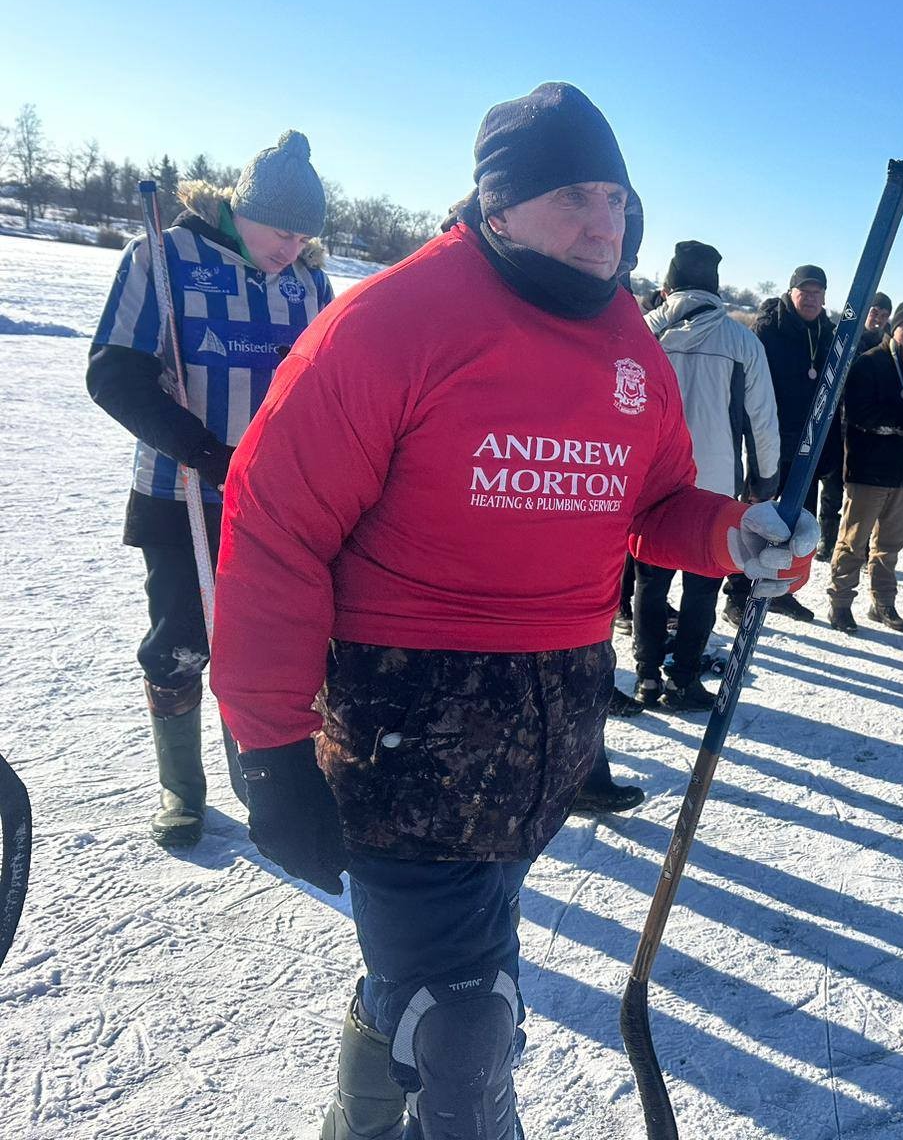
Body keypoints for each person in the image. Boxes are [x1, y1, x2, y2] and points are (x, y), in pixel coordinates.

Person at [209, 84, 817, 1140]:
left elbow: (653, 503)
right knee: (463, 1030)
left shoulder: (626, 338)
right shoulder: (393, 321)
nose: (605, 224)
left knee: (423, 988)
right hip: (407, 747)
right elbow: (275, 530)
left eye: (616, 199)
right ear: (498, 203)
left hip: (543, 754)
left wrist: (737, 535)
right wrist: (267, 749)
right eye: (574, 197)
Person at [85, 130, 333, 849]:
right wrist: (201, 450)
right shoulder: (163, 258)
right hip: (181, 491)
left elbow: (327, 385)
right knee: (181, 643)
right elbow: (113, 374)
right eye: (281, 231)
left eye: (304, 236)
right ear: (241, 207)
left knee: (266, 648)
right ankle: (182, 790)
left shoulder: (308, 283)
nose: (292, 247)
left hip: (278, 502)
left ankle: (256, 780)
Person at [637, 240, 781, 708]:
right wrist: (764, 483)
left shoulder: (644, 333)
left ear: (669, 285)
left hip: (652, 484)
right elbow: (762, 421)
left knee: (650, 582)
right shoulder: (742, 342)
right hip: (715, 488)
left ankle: (646, 676)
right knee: (702, 586)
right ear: (716, 288)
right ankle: (682, 680)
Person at [725, 264, 836, 624]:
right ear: (791, 293)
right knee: (757, 518)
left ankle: (781, 590)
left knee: (797, 522)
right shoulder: (768, 330)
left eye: (818, 293)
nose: (812, 299)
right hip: (769, 441)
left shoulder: (829, 333)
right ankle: (737, 594)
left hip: (808, 445)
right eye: (805, 292)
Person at [828, 298, 903, 633]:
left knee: (890, 545)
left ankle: (883, 603)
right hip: (868, 467)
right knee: (854, 541)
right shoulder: (869, 362)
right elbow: (859, 413)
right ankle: (840, 603)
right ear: (895, 328)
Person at [816, 290, 891, 563]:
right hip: (838, 425)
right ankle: (827, 538)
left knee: (864, 495)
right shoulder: (845, 337)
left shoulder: (888, 347)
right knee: (833, 488)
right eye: (874, 312)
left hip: (868, 432)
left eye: (884, 315)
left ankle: (861, 544)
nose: (878, 318)